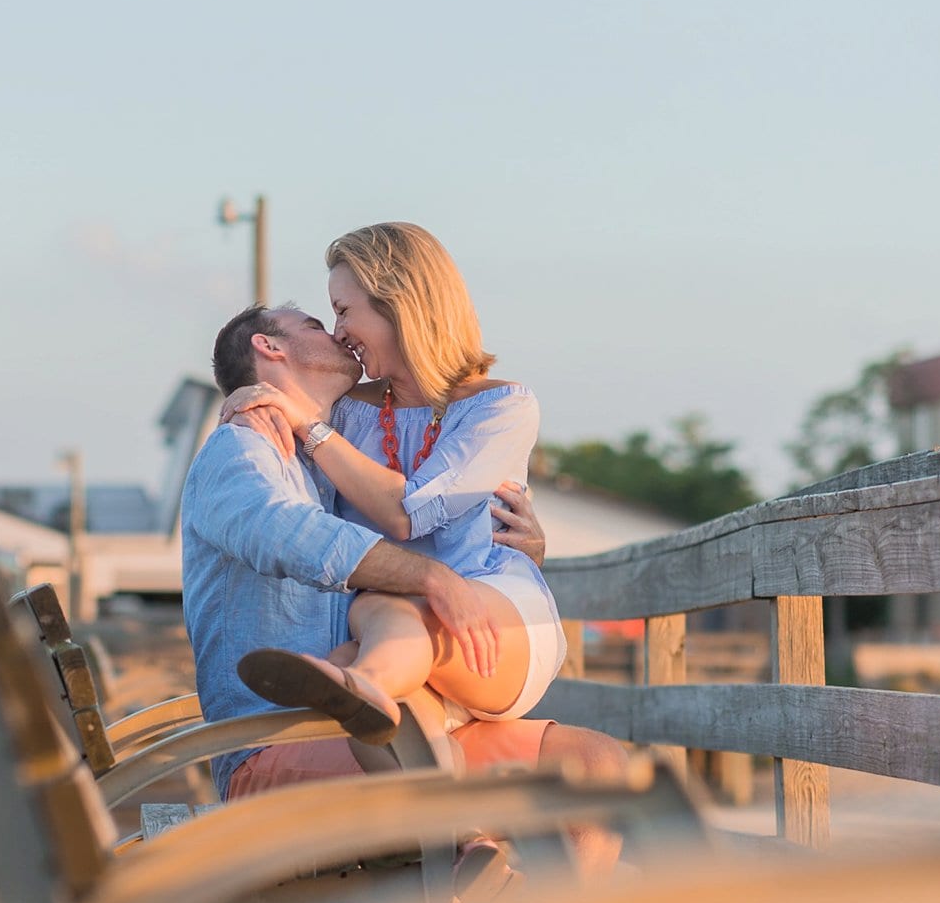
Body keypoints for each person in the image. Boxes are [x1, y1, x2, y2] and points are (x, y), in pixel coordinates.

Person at [182, 304, 626, 844]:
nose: (339, 332)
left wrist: (512, 551)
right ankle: (469, 864)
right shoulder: (241, 445)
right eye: (317, 325)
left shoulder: (333, 451)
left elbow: (429, 515)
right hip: (280, 746)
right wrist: (430, 578)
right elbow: (279, 531)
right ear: (269, 348)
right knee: (440, 766)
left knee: (594, 764)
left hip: (403, 728)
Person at [220, 223, 565, 751]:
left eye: (342, 310)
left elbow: (410, 514)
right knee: (373, 626)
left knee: (385, 617)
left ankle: (361, 685)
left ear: (397, 301)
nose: (338, 333)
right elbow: (281, 383)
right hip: (384, 628)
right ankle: (466, 832)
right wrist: (252, 392)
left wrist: (308, 426)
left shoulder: (503, 407)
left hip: (489, 612)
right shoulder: (347, 412)